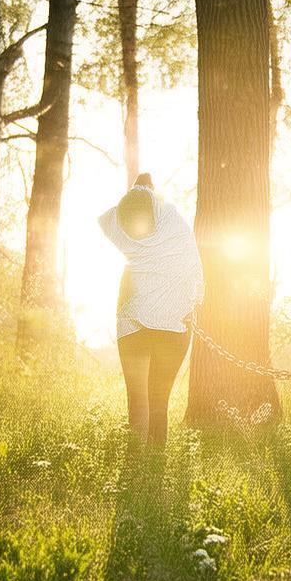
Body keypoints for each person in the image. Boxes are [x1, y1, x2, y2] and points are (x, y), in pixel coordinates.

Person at [98, 173, 204, 447]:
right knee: (159, 401)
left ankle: (135, 467)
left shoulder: (119, 225)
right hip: (174, 323)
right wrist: (147, 191)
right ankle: (155, 465)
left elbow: (107, 216)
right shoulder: (174, 223)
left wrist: (135, 191)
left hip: (133, 320)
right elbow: (195, 273)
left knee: (137, 401)